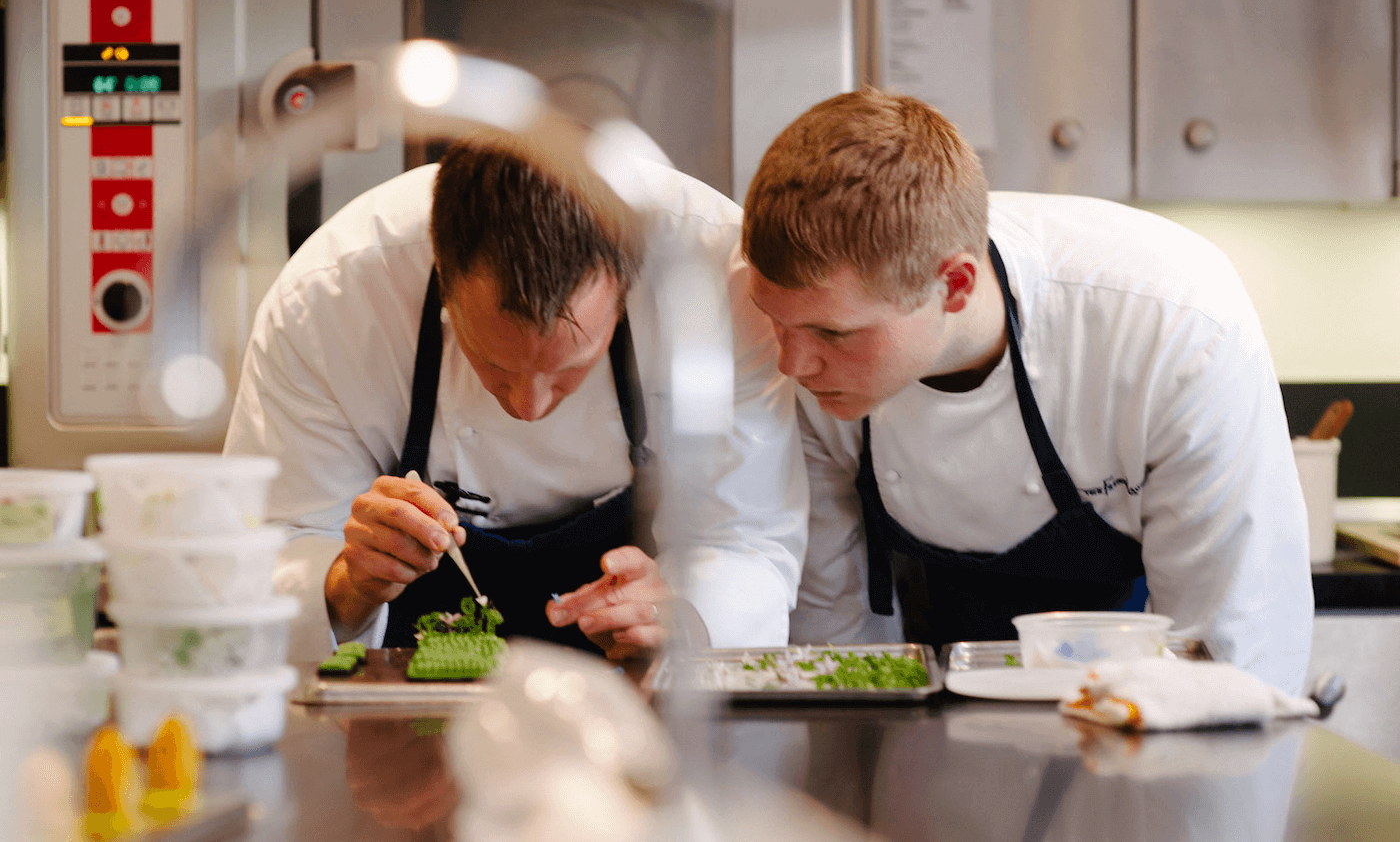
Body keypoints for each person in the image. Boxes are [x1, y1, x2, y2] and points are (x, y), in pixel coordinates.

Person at [740, 87, 1313, 693]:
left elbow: (1231, 661)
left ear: (955, 286)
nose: (792, 363)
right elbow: (833, 641)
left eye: (834, 332)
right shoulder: (802, 339)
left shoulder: (1170, 329)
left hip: (1135, 704)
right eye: (777, 321)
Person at [224, 121, 806, 663]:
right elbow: (271, 555)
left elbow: (745, 537)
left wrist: (687, 614)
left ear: (627, 284)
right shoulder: (330, 301)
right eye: (494, 365)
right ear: (442, 278)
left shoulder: (713, 283)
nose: (529, 408)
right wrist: (348, 581)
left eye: (568, 369)